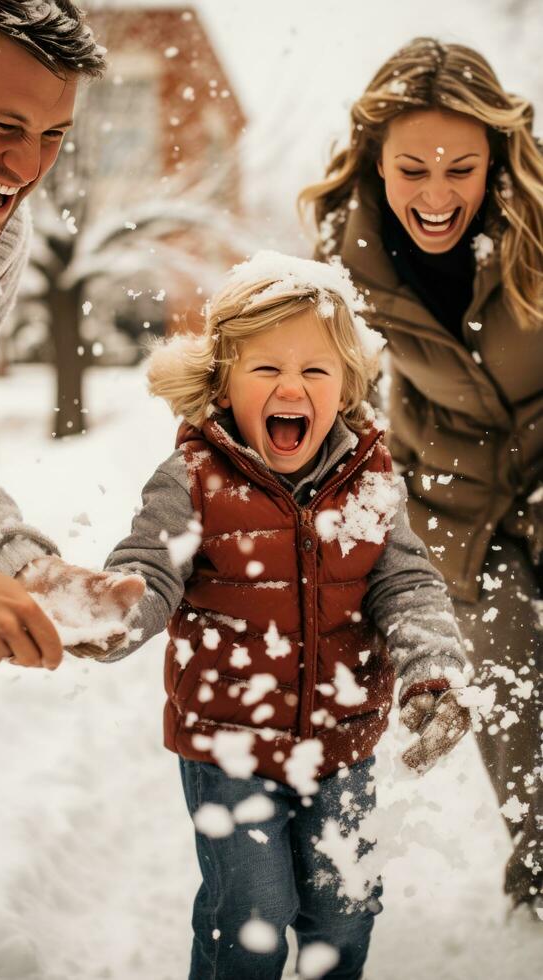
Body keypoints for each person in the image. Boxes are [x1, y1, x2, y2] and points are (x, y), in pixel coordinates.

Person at [24, 251, 471, 978]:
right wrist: (113, 614)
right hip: (227, 746)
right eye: (265, 369)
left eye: (315, 371)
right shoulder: (191, 479)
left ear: (347, 386)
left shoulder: (369, 477)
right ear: (223, 382)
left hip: (342, 739)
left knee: (345, 907)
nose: (291, 386)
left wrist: (431, 670)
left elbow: (406, 584)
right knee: (252, 915)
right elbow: (149, 573)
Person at [299, 36, 542, 911]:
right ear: (374, 158)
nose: (436, 195)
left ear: (497, 158)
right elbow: (325, 387)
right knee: (517, 711)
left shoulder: (539, 224)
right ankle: (541, 877)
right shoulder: (343, 247)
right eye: (411, 168)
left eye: (461, 168)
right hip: (451, 496)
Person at [0, 1, 141, 668]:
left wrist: (17, 563)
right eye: (1, 125)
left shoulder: (4, 237)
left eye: (52, 135)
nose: (24, 168)